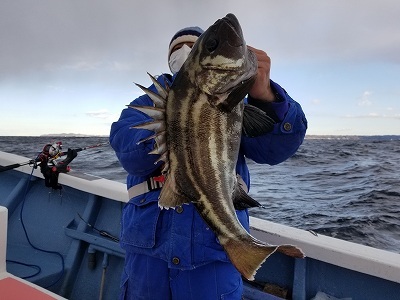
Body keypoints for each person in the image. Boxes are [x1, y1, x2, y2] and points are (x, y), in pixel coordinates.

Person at [110, 26, 307, 300]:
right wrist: (175, 121)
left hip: (211, 257)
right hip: (148, 254)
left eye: (193, 45)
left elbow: (274, 150)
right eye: (176, 50)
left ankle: (242, 246)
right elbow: (128, 151)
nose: (184, 53)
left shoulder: (235, 104)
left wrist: (267, 99)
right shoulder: (147, 101)